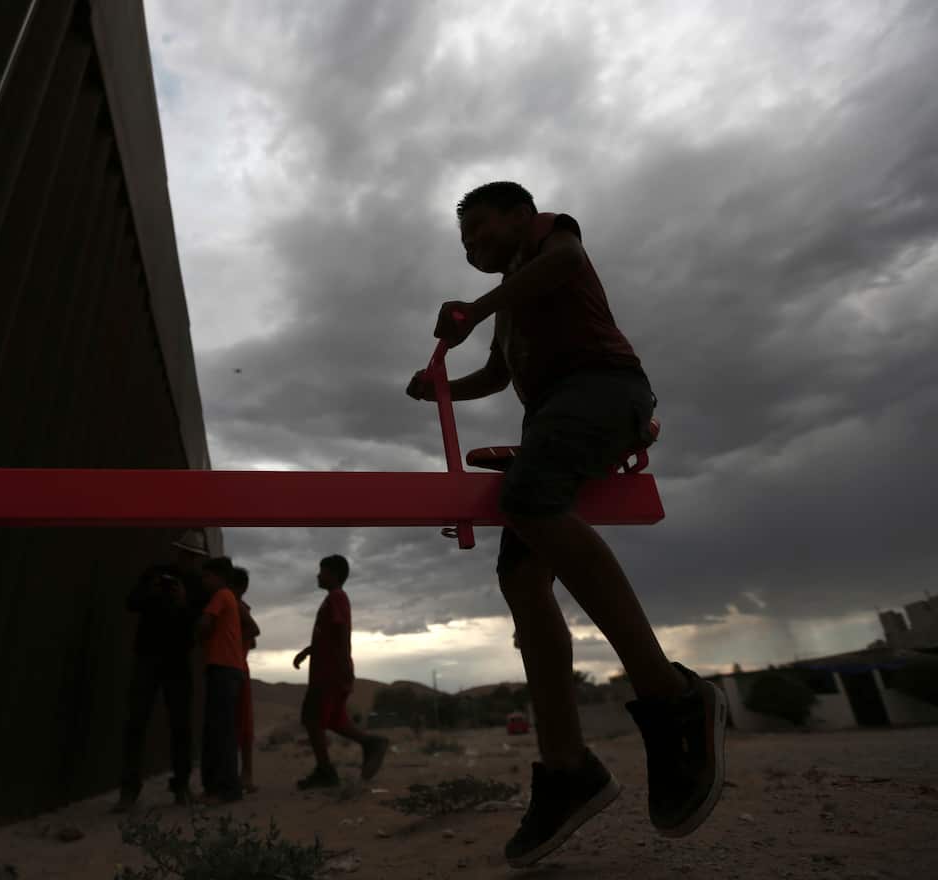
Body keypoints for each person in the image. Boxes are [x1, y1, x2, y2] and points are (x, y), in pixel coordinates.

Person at [406, 181, 727, 866]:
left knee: (527, 504)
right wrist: (442, 386)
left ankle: (673, 698)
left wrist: (475, 308)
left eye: (481, 228)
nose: (472, 245)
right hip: (553, 416)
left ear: (522, 216)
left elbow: (566, 264)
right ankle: (567, 768)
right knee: (521, 580)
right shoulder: (511, 306)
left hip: (605, 392)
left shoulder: (551, 241)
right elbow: (496, 374)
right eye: (463, 241)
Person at [111, 529, 209, 812]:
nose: (188, 560)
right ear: (178, 552)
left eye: (194, 556)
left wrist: (182, 603)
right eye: (186, 554)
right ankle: (129, 790)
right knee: (136, 722)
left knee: (181, 725)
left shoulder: (198, 587)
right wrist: (152, 591)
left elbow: (199, 626)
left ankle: (181, 786)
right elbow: (131, 603)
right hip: (147, 657)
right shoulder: (154, 574)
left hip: (178, 660)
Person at [292, 554, 389, 789]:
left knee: (313, 719)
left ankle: (326, 771)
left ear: (333, 574)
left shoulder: (336, 598)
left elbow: (339, 630)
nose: (318, 575)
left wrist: (340, 663)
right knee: (334, 719)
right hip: (330, 670)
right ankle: (371, 743)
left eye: (322, 570)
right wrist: (309, 651)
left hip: (330, 673)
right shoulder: (334, 598)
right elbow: (330, 635)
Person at [197, 556, 246, 804]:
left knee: (222, 731)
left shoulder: (221, 595)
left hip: (224, 668)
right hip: (227, 668)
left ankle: (228, 789)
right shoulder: (230, 598)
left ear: (218, 577)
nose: (204, 581)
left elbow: (205, 624)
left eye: (207, 576)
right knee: (217, 729)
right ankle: (216, 787)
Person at [230, 565, 261, 793]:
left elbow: (253, 635)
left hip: (235, 667)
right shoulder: (239, 607)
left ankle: (246, 775)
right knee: (240, 723)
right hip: (239, 666)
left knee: (240, 723)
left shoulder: (238, 608)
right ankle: (244, 775)